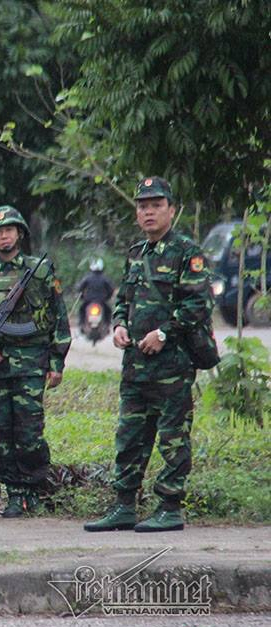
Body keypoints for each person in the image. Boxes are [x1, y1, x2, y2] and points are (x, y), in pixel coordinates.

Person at [84, 177, 213, 533]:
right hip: (135, 365)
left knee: (172, 437)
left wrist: (163, 333)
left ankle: (170, 508)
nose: (148, 211)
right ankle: (124, 505)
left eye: (156, 205)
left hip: (172, 365)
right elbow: (123, 300)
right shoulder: (136, 253)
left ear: (171, 210)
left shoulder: (188, 252)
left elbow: (199, 304)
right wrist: (119, 325)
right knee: (129, 437)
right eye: (143, 206)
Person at [0, 205, 71, 518]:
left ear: (19, 233)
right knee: (2, 435)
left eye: (9, 230)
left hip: (32, 365)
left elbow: (59, 318)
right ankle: (14, 494)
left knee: (29, 432)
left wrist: (57, 361)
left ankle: (34, 490)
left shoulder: (41, 270)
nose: (4, 236)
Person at [76, 258, 116, 326]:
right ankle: (108, 324)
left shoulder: (87, 278)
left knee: (81, 310)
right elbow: (111, 289)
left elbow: (79, 288)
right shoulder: (105, 278)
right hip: (101, 301)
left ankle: (81, 323)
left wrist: (82, 296)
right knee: (108, 311)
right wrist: (108, 297)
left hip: (88, 300)